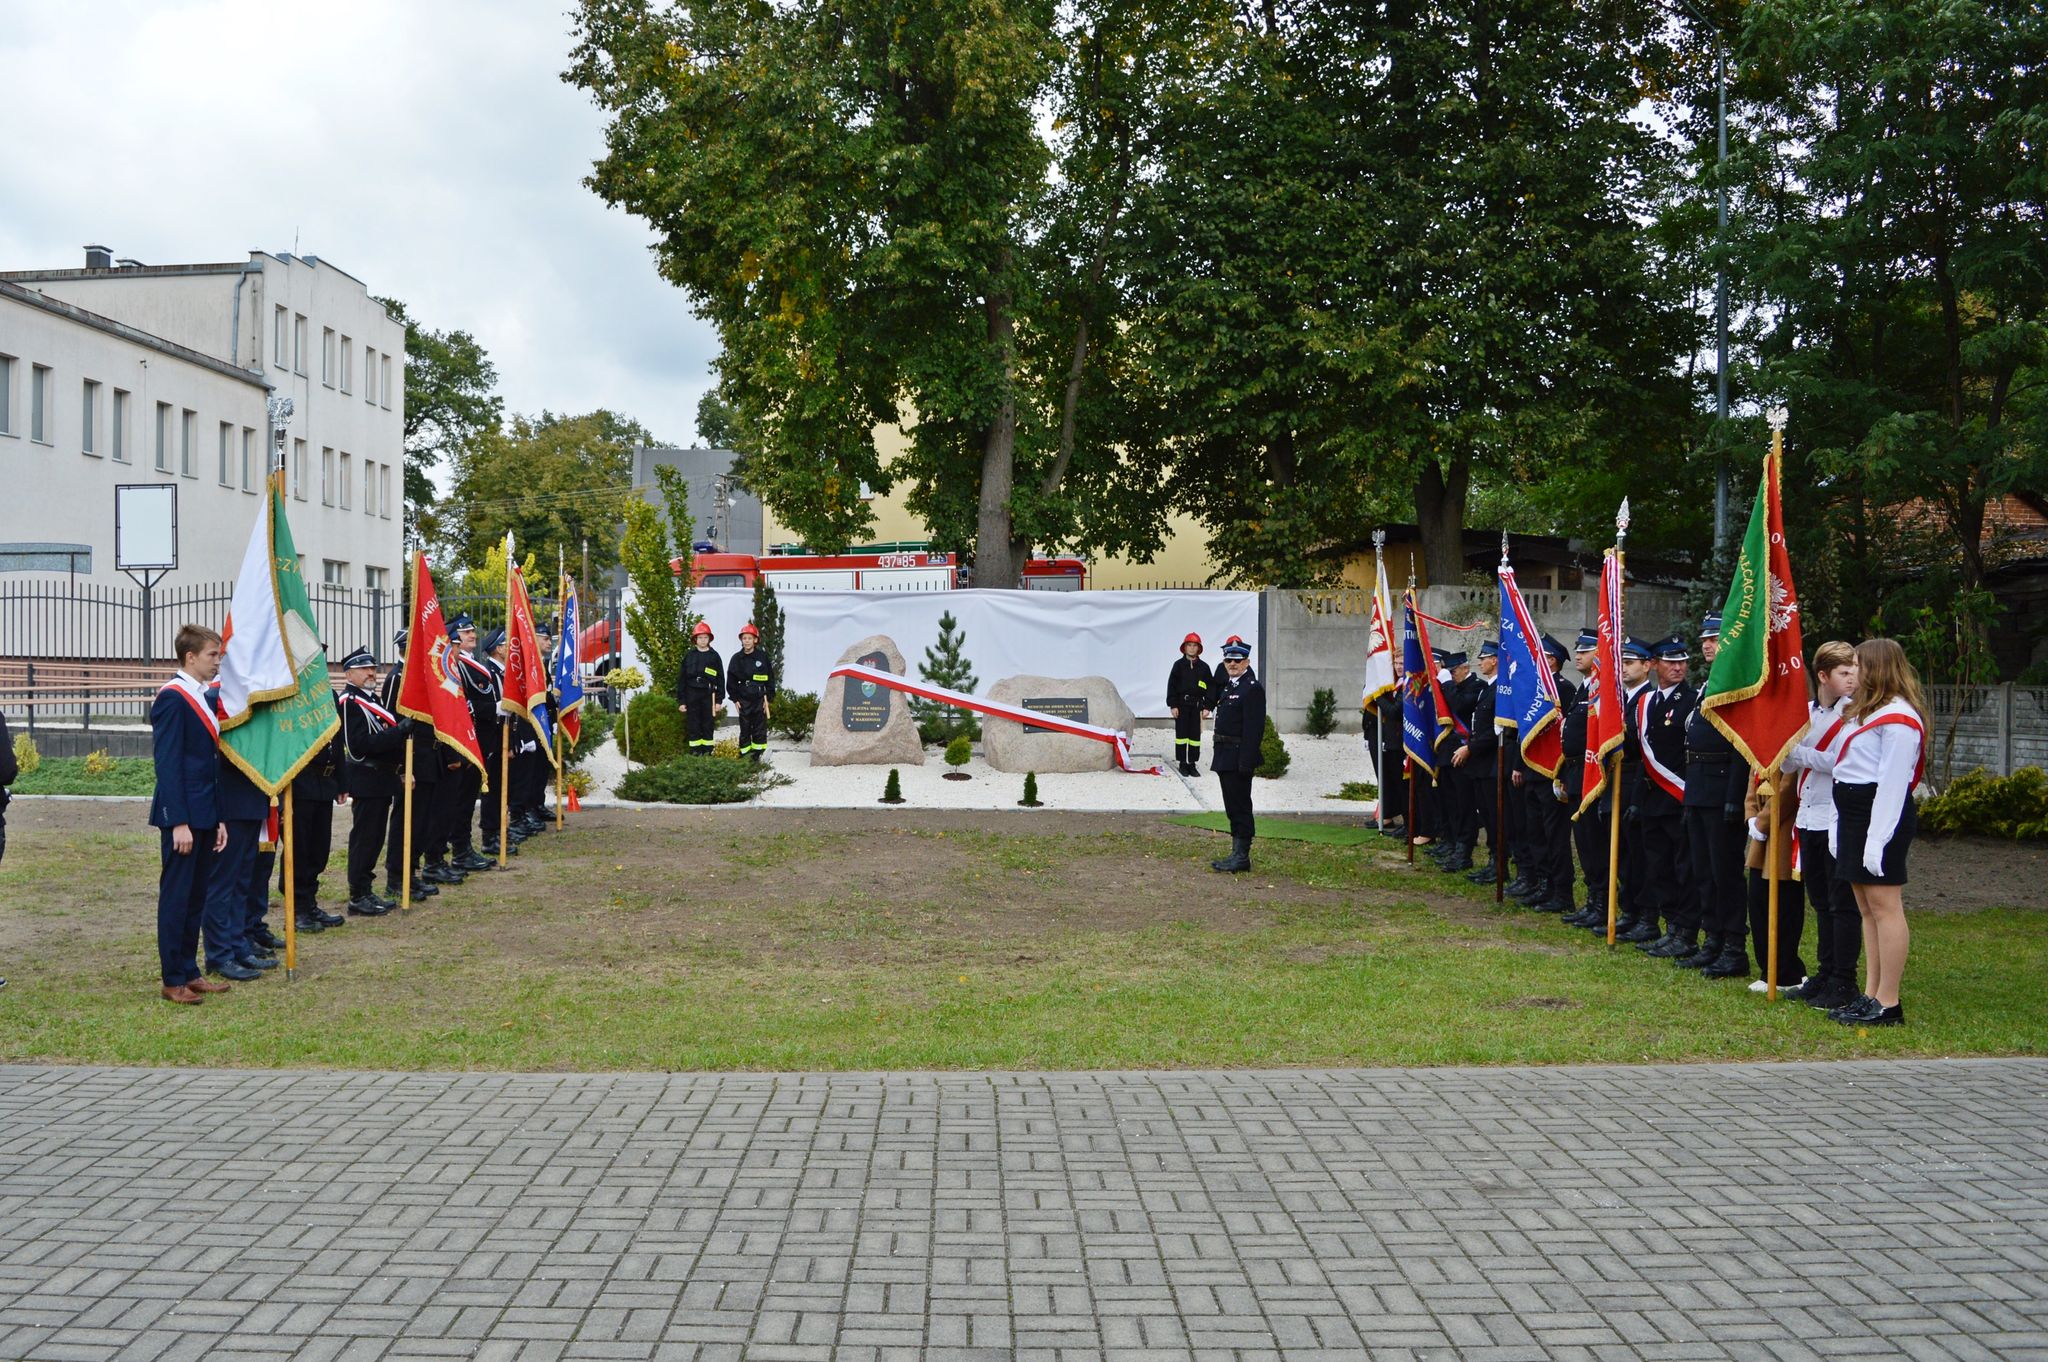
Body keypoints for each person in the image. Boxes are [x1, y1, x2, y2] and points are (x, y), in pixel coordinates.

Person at [1826, 637, 1927, 1027]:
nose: (1853, 673)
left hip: (1879, 816)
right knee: (1866, 909)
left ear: (1879, 668)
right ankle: (1870, 993)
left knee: (1886, 908)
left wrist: (1877, 840)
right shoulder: (1866, 712)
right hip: (1855, 814)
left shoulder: (1900, 718)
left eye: (1858, 665)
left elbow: (1892, 785)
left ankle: (1889, 1002)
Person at [148, 625, 234, 1005]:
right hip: (182, 816)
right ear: (190, 658)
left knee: (196, 896)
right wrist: (178, 820)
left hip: (203, 812)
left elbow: (208, 765)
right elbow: (168, 765)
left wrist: (216, 818)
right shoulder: (173, 697)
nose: (218, 661)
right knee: (178, 896)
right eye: (213, 655)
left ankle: (189, 970)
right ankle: (172, 979)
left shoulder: (200, 696)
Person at [1780, 641, 1859, 1008]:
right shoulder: (1807, 713)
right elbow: (1787, 767)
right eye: (1844, 672)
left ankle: (1844, 978)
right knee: (1821, 902)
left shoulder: (1853, 714)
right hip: (1808, 815)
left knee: (1841, 903)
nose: (1852, 678)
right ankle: (1825, 973)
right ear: (1823, 676)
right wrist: (1782, 749)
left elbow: (1839, 760)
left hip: (1835, 816)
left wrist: (1795, 751)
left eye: (1854, 670)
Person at [1682, 613, 1750, 978]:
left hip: (1723, 788)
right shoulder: (1708, 685)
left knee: (1725, 873)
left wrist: (1735, 797)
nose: (1708, 645)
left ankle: (1734, 946)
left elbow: (1741, 745)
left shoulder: (1735, 685)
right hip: (1698, 787)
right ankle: (1713, 940)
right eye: (1705, 639)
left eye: (1716, 638)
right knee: (1704, 871)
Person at [1632, 636, 1695, 959]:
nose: (1678, 667)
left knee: (1682, 867)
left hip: (1678, 797)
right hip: (1652, 799)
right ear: (1655, 665)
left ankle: (1685, 931)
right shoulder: (1648, 702)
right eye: (1671, 662)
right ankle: (1670, 925)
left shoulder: (1691, 700)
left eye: (1682, 661)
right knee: (1658, 866)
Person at [339, 647, 403, 915]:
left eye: (373, 668)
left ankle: (366, 889)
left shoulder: (371, 699)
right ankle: (358, 894)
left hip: (381, 778)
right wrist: (399, 733)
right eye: (364, 669)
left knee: (375, 838)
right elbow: (359, 746)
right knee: (365, 839)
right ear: (349, 673)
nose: (370, 673)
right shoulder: (350, 703)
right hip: (366, 777)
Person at [382, 628, 438, 904]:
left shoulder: (420, 676)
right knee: (405, 820)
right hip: (410, 760)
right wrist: (403, 768)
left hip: (427, 757)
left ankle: (411, 871)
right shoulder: (397, 678)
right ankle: (396, 876)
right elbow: (392, 722)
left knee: (421, 821)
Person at [282, 706, 348, 934]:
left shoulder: (326, 693)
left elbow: (337, 739)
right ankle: (296, 907)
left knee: (319, 849)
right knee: (299, 848)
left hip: (325, 783)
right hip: (301, 781)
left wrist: (342, 780)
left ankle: (310, 902)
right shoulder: (293, 693)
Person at [1561, 629, 1610, 932]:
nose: (1578, 654)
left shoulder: (1603, 689)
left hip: (1593, 773)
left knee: (1595, 840)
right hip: (1577, 771)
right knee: (1584, 841)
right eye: (1577, 650)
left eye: (1585, 650)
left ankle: (1603, 901)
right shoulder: (1585, 687)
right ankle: (1593, 899)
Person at [1742, 767, 1806, 988]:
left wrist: (1763, 821)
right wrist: (1751, 814)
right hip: (1761, 826)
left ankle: (1786, 972)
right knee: (1758, 900)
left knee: (1784, 904)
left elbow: (1788, 787)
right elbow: (1754, 778)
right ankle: (1767, 969)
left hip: (1783, 827)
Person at [1209, 637, 1265, 873]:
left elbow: (1254, 729)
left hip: (1238, 756)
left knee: (1241, 806)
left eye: (1237, 660)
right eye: (1228, 660)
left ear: (1246, 662)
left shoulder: (1251, 688)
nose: (1232, 664)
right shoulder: (1230, 685)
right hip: (1224, 755)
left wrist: (1246, 761)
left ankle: (1242, 856)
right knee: (1232, 805)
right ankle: (1236, 852)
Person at [1459, 641, 1502, 883]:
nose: (1480, 662)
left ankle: (1499, 864)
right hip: (1481, 763)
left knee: (1494, 817)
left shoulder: (1500, 690)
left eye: (1484, 658)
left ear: (1495, 660)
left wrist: (1470, 748)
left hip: (1490, 762)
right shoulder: (1488, 688)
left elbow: (1495, 730)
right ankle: (1493, 860)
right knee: (1485, 814)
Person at [728, 623, 777, 763]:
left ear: (755, 640)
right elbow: (731, 680)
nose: (747, 641)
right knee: (745, 728)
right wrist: (735, 699)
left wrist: (769, 698)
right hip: (743, 698)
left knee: (760, 728)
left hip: (760, 698)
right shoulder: (736, 659)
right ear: (741, 640)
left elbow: (770, 678)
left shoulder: (762, 657)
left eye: (750, 638)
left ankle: (758, 755)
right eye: (744, 638)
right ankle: (745, 756)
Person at [1166, 633, 1213, 777]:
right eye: (1189, 645)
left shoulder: (1204, 668)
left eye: (1195, 646)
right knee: (1181, 736)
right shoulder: (1178, 666)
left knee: (1194, 737)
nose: (1192, 648)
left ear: (1199, 649)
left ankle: (1192, 764)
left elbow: (1211, 688)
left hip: (1196, 707)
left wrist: (1207, 706)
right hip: (1181, 705)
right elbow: (1171, 686)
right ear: (1184, 648)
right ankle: (1182, 763)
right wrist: (1173, 705)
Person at [676, 620, 725, 756]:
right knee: (693, 724)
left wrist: (719, 701)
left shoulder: (714, 657)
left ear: (709, 639)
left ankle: (707, 752)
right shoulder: (689, 656)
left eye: (705, 637)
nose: (703, 640)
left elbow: (720, 678)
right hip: (692, 694)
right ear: (695, 639)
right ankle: (695, 752)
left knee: (707, 725)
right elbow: (682, 679)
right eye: (700, 638)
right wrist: (682, 701)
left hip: (709, 694)